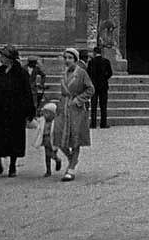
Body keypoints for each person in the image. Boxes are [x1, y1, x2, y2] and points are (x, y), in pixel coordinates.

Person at [0, 45, 35, 178]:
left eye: (3, 56)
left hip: (15, 111)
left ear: (9, 58)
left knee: (14, 137)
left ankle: (12, 166)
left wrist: (29, 110)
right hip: (0, 109)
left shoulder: (21, 73)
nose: (0, 58)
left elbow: (27, 92)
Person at [52, 47, 94, 182]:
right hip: (63, 107)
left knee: (75, 138)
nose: (67, 60)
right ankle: (72, 159)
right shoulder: (63, 73)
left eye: (70, 58)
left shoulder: (81, 73)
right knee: (59, 136)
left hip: (76, 109)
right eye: (65, 58)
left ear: (75, 60)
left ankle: (71, 168)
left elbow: (90, 89)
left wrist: (79, 99)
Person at [87, 45, 113, 128]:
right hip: (103, 86)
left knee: (93, 106)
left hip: (94, 86)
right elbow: (110, 73)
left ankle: (93, 123)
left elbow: (88, 73)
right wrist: (104, 78)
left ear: (94, 53)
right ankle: (103, 123)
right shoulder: (106, 61)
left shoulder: (91, 62)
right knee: (103, 106)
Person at [34, 101, 62, 176]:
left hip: (53, 140)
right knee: (47, 156)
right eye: (44, 113)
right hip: (45, 139)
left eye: (47, 113)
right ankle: (48, 170)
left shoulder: (55, 122)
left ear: (53, 114)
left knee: (52, 154)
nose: (45, 115)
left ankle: (57, 160)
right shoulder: (42, 120)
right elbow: (37, 122)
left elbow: (59, 131)